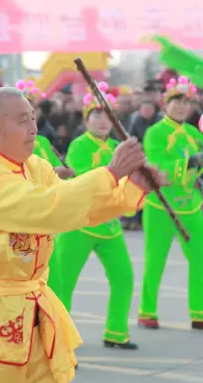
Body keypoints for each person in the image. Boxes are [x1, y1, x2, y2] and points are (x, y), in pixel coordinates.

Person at [0, 87, 165, 383]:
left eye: (33, 118)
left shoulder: (34, 167)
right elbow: (43, 208)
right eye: (21, 121)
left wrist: (132, 188)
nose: (34, 128)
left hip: (31, 310)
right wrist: (109, 174)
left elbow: (72, 205)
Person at [48, 84, 138, 350]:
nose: (102, 121)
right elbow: (86, 177)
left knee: (124, 277)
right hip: (80, 224)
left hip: (109, 225)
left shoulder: (118, 146)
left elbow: (129, 180)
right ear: (86, 120)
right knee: (63, 285)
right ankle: (59, 343)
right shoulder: (79, 145)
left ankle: (116, 331)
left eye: (107, 115)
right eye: (96, 115)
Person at [138, 76, 203, 332]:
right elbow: (156, 163)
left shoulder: (194, 133)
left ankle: (200, 313)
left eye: (186, 102)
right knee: (156, 259)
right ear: (166, 104)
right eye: (177, 101)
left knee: (201, 258)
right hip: (161, 206)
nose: (182, 107)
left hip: (190, 206)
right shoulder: (155, 132)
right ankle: (147, 311)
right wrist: (189, 163)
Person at [15, 81, 73, 179]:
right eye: (22, 111)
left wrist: (65, 171)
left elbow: (59, 164)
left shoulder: (44, 141)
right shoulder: (11, 143)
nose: (30, 115)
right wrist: (53, 172)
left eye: (33, 110)